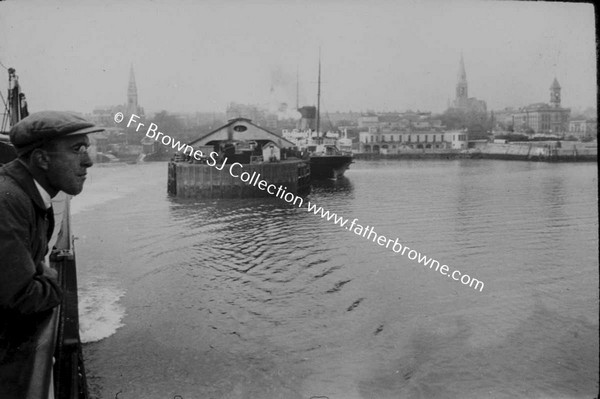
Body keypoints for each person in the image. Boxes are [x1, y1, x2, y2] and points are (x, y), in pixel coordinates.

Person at [0, 111, 102, 397]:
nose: (88, 161)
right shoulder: (8, 203)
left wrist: (39, 276)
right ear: (42, 159)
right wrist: (53, 283)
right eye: (76, 150)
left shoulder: (26, 197)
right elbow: (22, 297)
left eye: (87, 148)